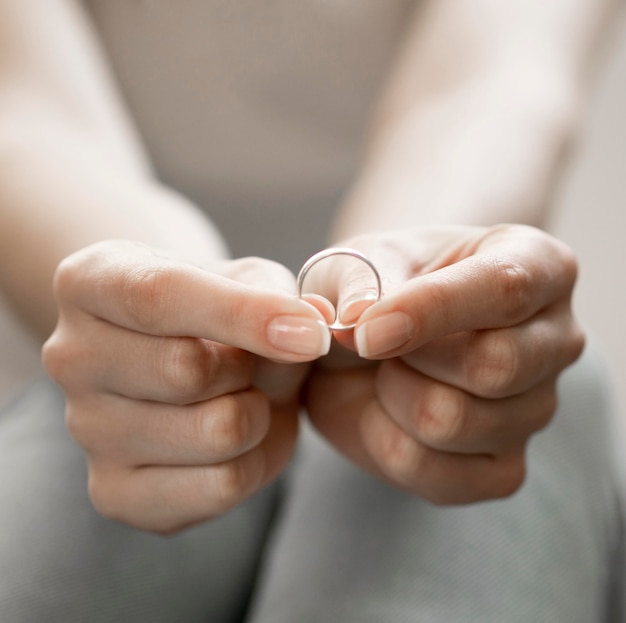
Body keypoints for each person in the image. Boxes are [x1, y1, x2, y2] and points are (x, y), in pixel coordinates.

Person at [0, 0, 623, 621]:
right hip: (91, 376)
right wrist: (161, 311)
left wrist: (400, 282)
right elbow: (24, 108)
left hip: (412, 361)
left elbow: (497, 80)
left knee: (481, 422)